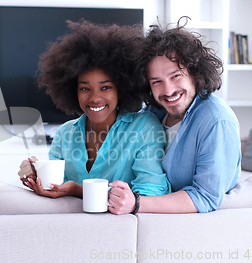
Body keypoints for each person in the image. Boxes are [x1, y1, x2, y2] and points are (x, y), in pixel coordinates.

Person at [17, 20, 170, 211]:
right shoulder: (65, 133)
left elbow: (150, 194)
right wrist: (37, 176)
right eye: (85, 88)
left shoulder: (143, 128)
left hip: (123, 230)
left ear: (120, 89)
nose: (95, 98)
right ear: (73, 91)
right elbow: (56, 190)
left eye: (105, 87)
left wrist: (77, 190)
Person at [110, 18, 242, 214]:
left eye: (176, 76)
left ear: (195, 74)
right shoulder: (153, 113)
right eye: (156, 81)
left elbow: (205, 197)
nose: (168, 90)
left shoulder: (217, 120)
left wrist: (137, 203)